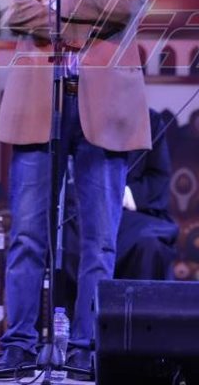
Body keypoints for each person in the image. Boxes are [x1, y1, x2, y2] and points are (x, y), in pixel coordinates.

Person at [0, 0, 155, 380]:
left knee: (99, 241)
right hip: (40, 106)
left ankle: (85, 346)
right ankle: (19, 344)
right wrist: (83, 15)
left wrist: (55, 8)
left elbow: (124, 6)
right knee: (28, 236)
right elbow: (16, 13)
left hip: (105, 111)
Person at [57, 108, 178, 312]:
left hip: (128, 214)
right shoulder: (71, 116)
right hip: (77, 212)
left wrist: (116, 194)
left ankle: (138, 322)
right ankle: (75, 322)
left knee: (149, 243)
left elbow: (158, 180)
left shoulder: (149, 120)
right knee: (61, 241)